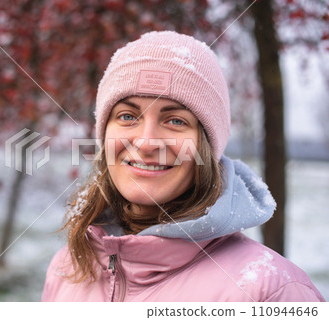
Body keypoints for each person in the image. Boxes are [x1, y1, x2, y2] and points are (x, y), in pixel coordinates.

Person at [41, 31, 324, 302]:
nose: (147, 142)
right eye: (127, 116)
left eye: (175, 120)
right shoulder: (67, 269)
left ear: (207, 146)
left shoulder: (269, 292)